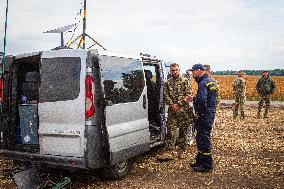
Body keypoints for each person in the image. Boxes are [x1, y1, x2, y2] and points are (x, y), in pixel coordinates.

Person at [158, 63, 193, 160]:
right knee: (171, 130)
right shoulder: (167, 82)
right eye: (173, 70)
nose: (175, 72)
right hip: (172, 111)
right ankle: (169, 152)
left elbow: (188, 96)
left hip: (183, 111)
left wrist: (179, 104)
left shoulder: (185, 81)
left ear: (179, 70)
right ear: (170, 71)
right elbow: (165, 95)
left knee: (183, 131)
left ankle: (182, 150)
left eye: (176, 70)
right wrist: (172, 105)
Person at [189, 63, 218, 172]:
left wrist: (199, 113)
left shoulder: (203, 83)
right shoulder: (211, 81)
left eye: (193, 71)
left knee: (203, 138)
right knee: (200, 137)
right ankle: (200, 161)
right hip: (210, 113)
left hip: (204, 115)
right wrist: (193, 98)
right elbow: (210, 98)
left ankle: (207, 165)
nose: (192, 73)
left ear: (199, 70)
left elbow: (202, 101)